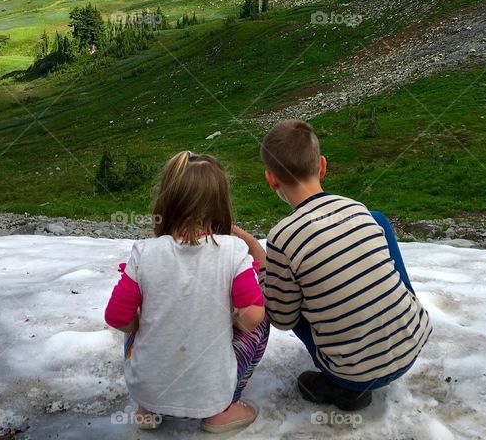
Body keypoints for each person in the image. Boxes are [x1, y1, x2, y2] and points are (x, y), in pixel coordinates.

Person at [260, 119, 431, 411]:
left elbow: (282, 319)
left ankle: (341, 386)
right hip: (413, 345)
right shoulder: (357, 208)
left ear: (271, 179)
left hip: (353, 376)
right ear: (323, 166)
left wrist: (265, 271)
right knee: (377, 223)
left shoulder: (282, 236)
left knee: (290, 288)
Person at [104, 151, 269, 432]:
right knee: (262, 321)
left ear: (165, 201)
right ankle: (221, 411)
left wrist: (143, 323)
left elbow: (117, 317)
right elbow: (252, 317)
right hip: (211, 393)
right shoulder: (232, 251)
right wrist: (230, 319)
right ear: (220, 204)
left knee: (135, 318)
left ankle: (148, 409)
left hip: (147, 389)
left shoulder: (144, 253)